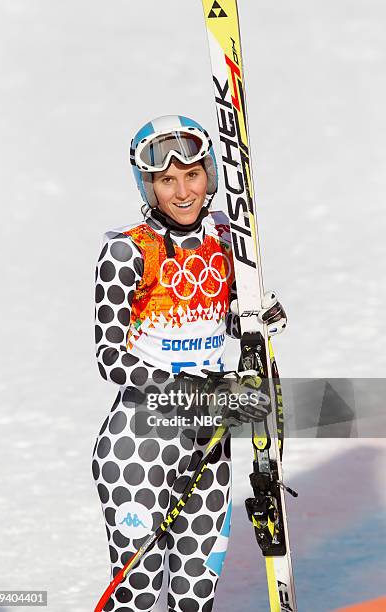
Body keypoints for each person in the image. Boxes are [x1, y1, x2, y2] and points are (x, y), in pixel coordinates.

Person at [92, 114, 287, 612]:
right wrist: (188, 390)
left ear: (211, 175)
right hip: (140, 440)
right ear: (149, 185)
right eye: (166, 179)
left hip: (209, 439)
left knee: (196, 595)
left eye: (193, 174)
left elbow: (230, 321)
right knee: (136, 594)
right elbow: (110, 356)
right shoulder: (126, 250)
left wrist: (257, 316)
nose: (183, 191)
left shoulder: (228, 240)